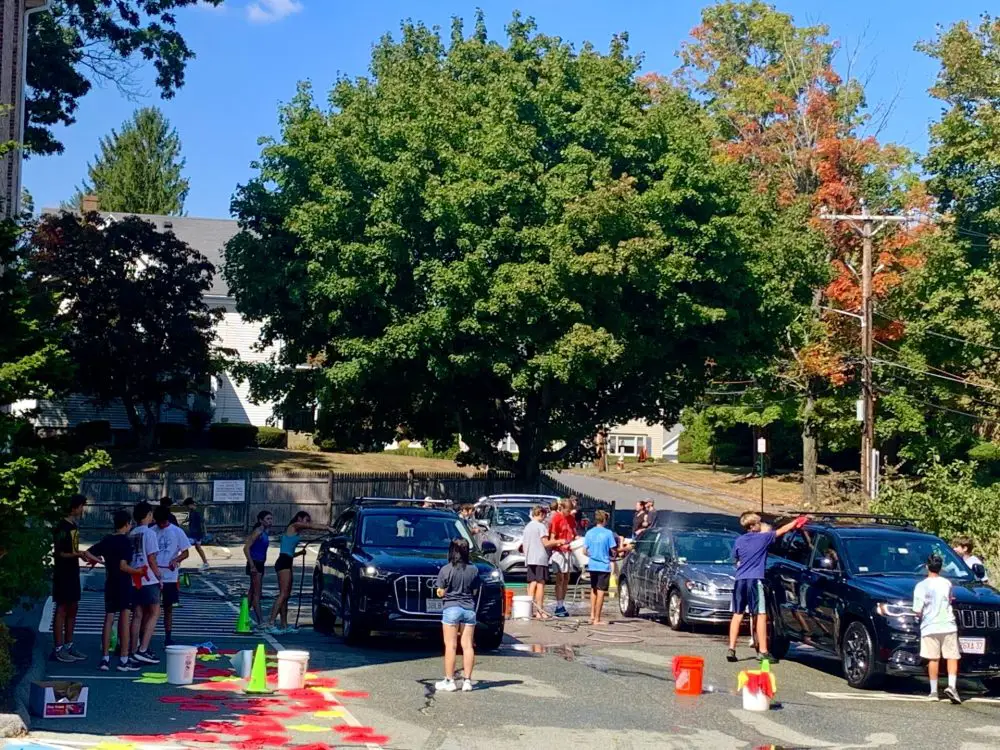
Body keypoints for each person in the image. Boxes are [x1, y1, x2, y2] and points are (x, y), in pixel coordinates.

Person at [726, 511, 807, 663]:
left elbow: (736, 560)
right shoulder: (763, 538)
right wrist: (798, 521)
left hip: (740, 580)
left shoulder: (739, 540)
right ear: (753, 526)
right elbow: (783, 530)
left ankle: (731, 648)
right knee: (761, 614)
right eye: (758, 522)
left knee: (737, 614)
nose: (760, 524)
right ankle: (763, 651)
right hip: (755, 579)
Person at [88, 510, 143, 672]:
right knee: (124, 620)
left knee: (108, 619)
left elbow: (88, 552)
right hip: (124, 583)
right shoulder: (125, 542)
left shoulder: (107, 540)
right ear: (126, 524)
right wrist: (138, 572)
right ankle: (124, 659)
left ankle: (105, 658)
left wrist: (98, 560)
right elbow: (123, 566)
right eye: (130, 524)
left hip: (110, 582)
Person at [267, 511, 329, 633]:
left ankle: (284, 625)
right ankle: (271, 622)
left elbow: (288, 551)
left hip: (287, 561)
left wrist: (300, 553)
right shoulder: (293, 526)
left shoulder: (294, 531)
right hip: (283, 562)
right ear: (299, 518)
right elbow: (311, 526)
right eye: (306, 520)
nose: (307, 523)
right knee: (283, 594)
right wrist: (327, 528)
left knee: (286, 595)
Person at [51, 494, 96, 663]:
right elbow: (59, 552)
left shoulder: (74, 525)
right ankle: (58, 648)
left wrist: (81, 556)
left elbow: (73, 550)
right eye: (81, 506)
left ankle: (69, 645)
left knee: (73, 607)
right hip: (63, 572)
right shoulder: (62, 527)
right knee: (62, 608)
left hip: (73, 571)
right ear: (73, 507)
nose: (82, 509)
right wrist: (78, 554)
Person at [913, 554, 962, 704]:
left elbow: (917, 609)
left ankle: (933, 691)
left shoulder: (921, 585)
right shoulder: (947, 583)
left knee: (933, 658)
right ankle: (952, 686)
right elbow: (950, 599)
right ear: (941, 568)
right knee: (952, 656)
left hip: (930, 625)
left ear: (927, 567)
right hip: (948, 623)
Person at [434, 538, 481, 693]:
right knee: (467, 645)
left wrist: (443, 590)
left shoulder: (446, 569)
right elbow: (475, 589)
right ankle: (467, 681)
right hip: (469, 609)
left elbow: (440, 592)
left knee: (451, 646)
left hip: (451, 608)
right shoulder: (473, 570)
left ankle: (450, 680)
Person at [128, 501, 162, 664]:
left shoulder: (132, 533)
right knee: (155, 612)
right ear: (148, 515)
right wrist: (159, 575)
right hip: (148, 577)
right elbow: (151, 558)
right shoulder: (150, 534)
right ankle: (143, 648)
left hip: (134, 577)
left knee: (137, 614)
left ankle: (133, 649)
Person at [154, 506, 190, 646]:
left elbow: (186, 552)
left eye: (163, 522)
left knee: (168, 607)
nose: (161, 525)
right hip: (154, 574)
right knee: (150, 606)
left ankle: (168, 635)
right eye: (159, 523)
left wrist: (176, 560)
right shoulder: (152, 531)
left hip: (170, 575)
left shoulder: (177, 531)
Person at [522, 505, 560, 620]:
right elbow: (545, 543)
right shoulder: (541, 526)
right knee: (540, 584)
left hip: (529, 558)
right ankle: (540, 611)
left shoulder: (527, 527)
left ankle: (528, 610)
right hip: (540, 558)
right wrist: (558, 541)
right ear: (541, 514)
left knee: (531, 583)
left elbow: (524, 545)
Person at [583, 510, 619, 626]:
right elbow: (613, 551)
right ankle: (597, 619)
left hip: (592, 565)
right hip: (603, 566)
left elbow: (584, 551)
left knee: (593, 590)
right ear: (604, 520)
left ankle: (592, 616)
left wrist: (593, 555)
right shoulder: (608, 533)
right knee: (601, 592)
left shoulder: (589, 533)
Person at [549, 498, 579, 618]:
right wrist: (559, 542)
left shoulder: (571, 518)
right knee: (560, 577)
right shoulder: (556, 518)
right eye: (567, 510)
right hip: (559, 551)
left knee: (567, 577)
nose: (569, 513)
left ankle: (562, 603)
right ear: (562, 508)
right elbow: (552, 539)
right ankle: (558, 604)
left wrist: (577, 540)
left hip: (569, 550)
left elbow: (574, 533)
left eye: (570, 510)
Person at [243, 510, 273, 629]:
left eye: (271, 519)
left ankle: (245, 616)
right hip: (255, 564)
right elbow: (246, 548)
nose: (270, 521)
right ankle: (260, 621)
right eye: (267, 519)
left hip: (261, 564)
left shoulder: (265, 532)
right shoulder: (258, 531)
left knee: (252, 591)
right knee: (257, 593)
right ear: (261, 520)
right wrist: (252, 565)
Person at [183, 498, 210, 570]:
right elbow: (191, 519)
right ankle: (205, 562)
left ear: (190, 505)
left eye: (187, 506)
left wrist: (205, 532)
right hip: (193, 532)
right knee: (197, 547)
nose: (186, 508)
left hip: (196, 533)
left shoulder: (197, 512)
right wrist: (185, 521)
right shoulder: (192, 511)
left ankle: (177, 561)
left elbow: (202, 522)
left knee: (183, 545)